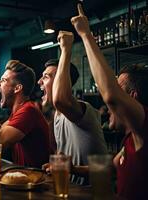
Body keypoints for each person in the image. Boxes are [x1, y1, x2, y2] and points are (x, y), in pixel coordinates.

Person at [71, 4, 148, 199]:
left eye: (119, 88)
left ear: (133, 98)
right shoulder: (131, 139)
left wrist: (86, 34)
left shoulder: (144, 127)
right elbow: (112, 167)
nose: (108, 106)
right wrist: (71, 168)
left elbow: (110, 95)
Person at [39, 31, 107, 185]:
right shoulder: (58, 115)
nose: (39, 82)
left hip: (93, 193)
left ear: (61, 81)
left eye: (46, 77)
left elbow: (61, 100)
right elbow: (63, 156)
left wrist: (66, 49)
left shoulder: (81, 110)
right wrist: (56, 166)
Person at [0, 60, 56, 168]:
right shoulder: (21, 110)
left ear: (17, 88)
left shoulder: (28, 111)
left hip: (37, 180)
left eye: (3, 80)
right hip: (25, 178)